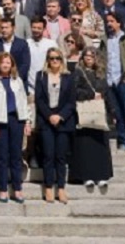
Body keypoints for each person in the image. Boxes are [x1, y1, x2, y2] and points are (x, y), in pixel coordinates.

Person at [0, 52, 32, 203]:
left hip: (16, 120)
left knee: (16, 156)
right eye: (3, 62)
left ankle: (17, 189)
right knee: (2, 157)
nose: (6, 65)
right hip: (1, 123)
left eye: (8, 63)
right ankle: (3, 189)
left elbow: (24, 102)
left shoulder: (17, 81)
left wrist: (27, 122)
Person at [35, 47, 76, 203]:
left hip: (63, 122)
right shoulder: (41, 76)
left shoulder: (68, 77)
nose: (54, 61)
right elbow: (39, 99)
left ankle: (61, 188)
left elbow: (71, 102)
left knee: (60, 156)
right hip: (46, 120)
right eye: (51, 58)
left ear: (62, 60)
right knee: (48, 155)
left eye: (57, 58)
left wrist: (60, 116)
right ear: (47, 60)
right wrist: (50, 115)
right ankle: (48, 187)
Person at [70, 47, 113, 189]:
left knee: (99, 145)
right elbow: (74, 91)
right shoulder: (78, 73)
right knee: (85, 146)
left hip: (99, 114)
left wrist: (113, 112)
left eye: (92, 56)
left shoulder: (100, 74)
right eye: (86, 55)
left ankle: (101, 176)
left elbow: (107, 94)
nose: (88, 58)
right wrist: (90, 94)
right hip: (85, 114)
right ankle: (86, 176)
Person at [98, 13, 125, 152]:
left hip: (123, 81)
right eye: (107, 21)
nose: (109, 24)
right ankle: (122, 140)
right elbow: (100, 61)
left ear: (119, 23)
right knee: (116, 113)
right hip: (110, 82)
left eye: (112, 21)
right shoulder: (104, 41)